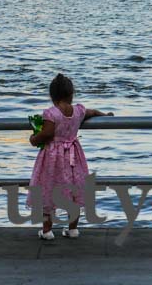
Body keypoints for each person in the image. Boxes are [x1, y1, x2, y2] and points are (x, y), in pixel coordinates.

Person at [28, 74, 112, 240]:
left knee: (48, 189)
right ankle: (73, 228)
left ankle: (47, 230)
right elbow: (92, 112)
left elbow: (48, 133)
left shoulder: (50, 113)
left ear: (52, 96)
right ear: (71, 94)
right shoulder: (78, 111)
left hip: (53, 157)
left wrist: (33, 139)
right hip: (74, 155)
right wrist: (106, 115)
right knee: (74, 189)